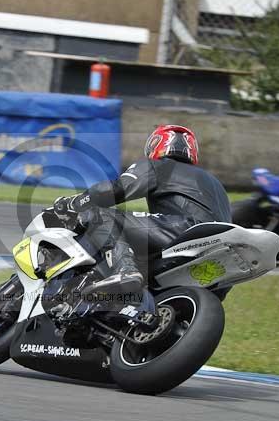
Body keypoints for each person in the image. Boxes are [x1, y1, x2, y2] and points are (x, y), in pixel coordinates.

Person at [52, 124, 231, 296]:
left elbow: (115, 190)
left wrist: (73, 203)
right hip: (220, 250)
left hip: (184, 230)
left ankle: (124, 269)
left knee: (100, 215)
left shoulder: (159, 166)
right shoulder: (216, 183)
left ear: (155, 145)